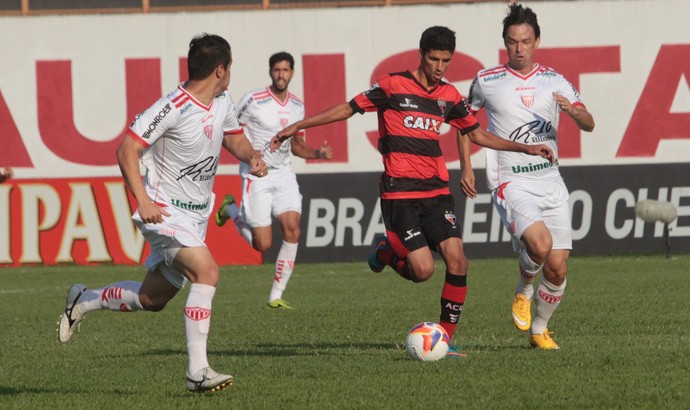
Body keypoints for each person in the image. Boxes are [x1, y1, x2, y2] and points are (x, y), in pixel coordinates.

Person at [273, 26, 554, 356]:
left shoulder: (448, 96)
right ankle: (383, 251)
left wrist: (523, 147)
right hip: (399, 193)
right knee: (422, 271)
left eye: (445, 61)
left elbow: (476, 134)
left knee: (458, 261)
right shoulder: (392, 86)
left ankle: (444, 339)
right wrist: (298, 126)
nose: (439, 67)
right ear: (421, 55)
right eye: (434, 59)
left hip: (436, 192)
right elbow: (347, 108)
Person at [57, 33, 268, 392]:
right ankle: (197, 372)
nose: (230, 73)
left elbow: (232, 135)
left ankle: (84, 299)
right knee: (208, 271)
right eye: (230, 67)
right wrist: (142, 200)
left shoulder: (222, 99)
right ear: (220, 69)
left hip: (196, 216)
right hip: (163, 212)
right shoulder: (171, 107)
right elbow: (127, 150)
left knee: (151, 299)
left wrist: (251, 156)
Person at [461, 3, 595, 349]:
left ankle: (539, 329)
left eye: (525, 41)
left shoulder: (555, 80)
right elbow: (464, 125)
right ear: (505, 42)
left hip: (550, 180)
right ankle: (523, 289)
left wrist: (574, 112)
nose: (518, 48)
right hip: (511, 179)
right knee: (539, 244)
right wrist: (465, 167)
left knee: (558, 268)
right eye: (511, 42)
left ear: (537, 41)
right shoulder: (487, 81)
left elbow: (589, 122)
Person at [215, 52, 333, 309]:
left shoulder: (298, 106)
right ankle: (230, 209)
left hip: (283, 173)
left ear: (292, 73)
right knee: (262, 244)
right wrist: (250, 154)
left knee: (293, 227)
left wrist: (317, 154)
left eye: (286, 70)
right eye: (277, 70)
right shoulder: (254, 100)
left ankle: (276, 295)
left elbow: (297, 145)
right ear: (271, 72)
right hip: (256, 174)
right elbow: (228, 130)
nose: (281, 74)